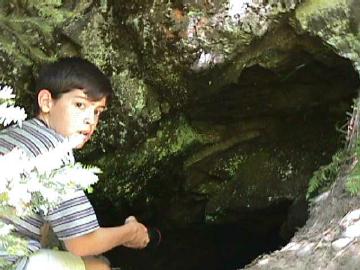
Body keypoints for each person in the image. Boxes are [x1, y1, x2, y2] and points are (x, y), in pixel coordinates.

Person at [0, 57, 150, 270]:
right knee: (100, 267)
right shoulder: (53, 155)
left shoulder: (14, 133)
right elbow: (82, 243)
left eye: (97, 111)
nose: (91, 120)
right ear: (46, 102)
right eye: (80, 105)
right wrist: (131, 233)